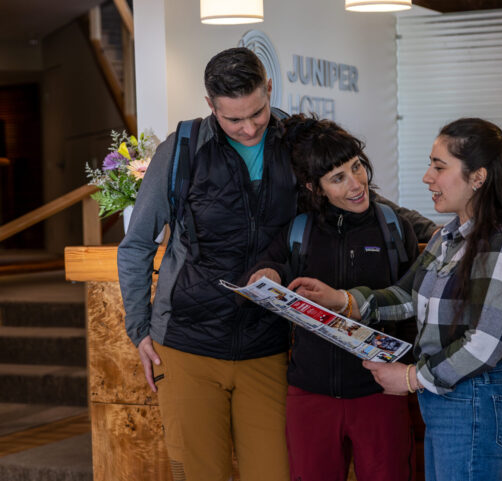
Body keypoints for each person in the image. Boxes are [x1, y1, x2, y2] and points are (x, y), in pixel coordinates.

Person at [116, 47, 435, 481]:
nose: (248, 128)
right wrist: (138, 327)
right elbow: (136, 245)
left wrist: (434, 229)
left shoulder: (295, 142)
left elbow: (352, 192)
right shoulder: (183, 149)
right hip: (187, 342)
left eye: (258, 113)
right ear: (210, 105)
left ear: (269, 90)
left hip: (268, 347)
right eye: (233, 119)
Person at [289, 117, 502, 481]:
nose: (427, 177)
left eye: (439, 166)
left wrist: (412, 378)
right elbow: (407, 296)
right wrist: (342, 300)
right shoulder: (446, 238)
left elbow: (485, 345)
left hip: (475, 402)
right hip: (446, 401)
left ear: (477, 177)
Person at [244, 115, 420, 481]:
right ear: (315, 187)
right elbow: (269, 262)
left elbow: (413, 303)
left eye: (357, 167)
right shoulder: (299, 230)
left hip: (380, 394)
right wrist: (269, 273)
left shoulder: (393, 227)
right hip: (310, 395)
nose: (356, 184)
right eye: (338, 178)